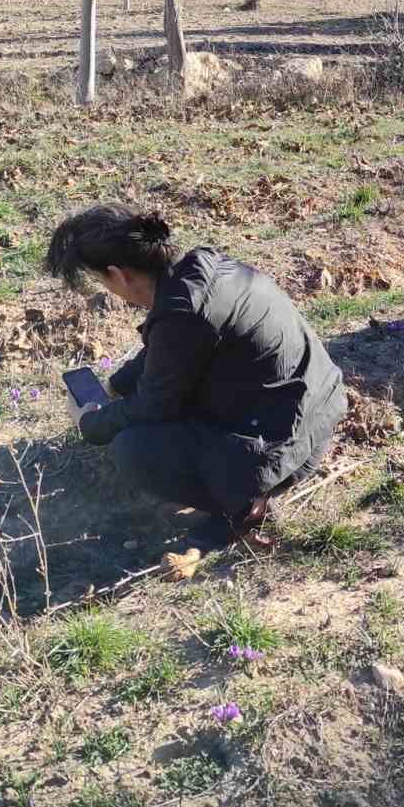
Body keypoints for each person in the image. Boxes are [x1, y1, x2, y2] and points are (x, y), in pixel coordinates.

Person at [44, 206, 347, 551]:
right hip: (318, 414)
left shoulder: (182, 315)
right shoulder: (202, 268)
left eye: (101, 281)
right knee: (169, 411)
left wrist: (92, 423)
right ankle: (244, 485)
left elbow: (153, 406)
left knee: (134, 449)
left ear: (118, 274)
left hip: (284, 452)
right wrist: (115, 386)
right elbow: (166, 354)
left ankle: (243, 506)